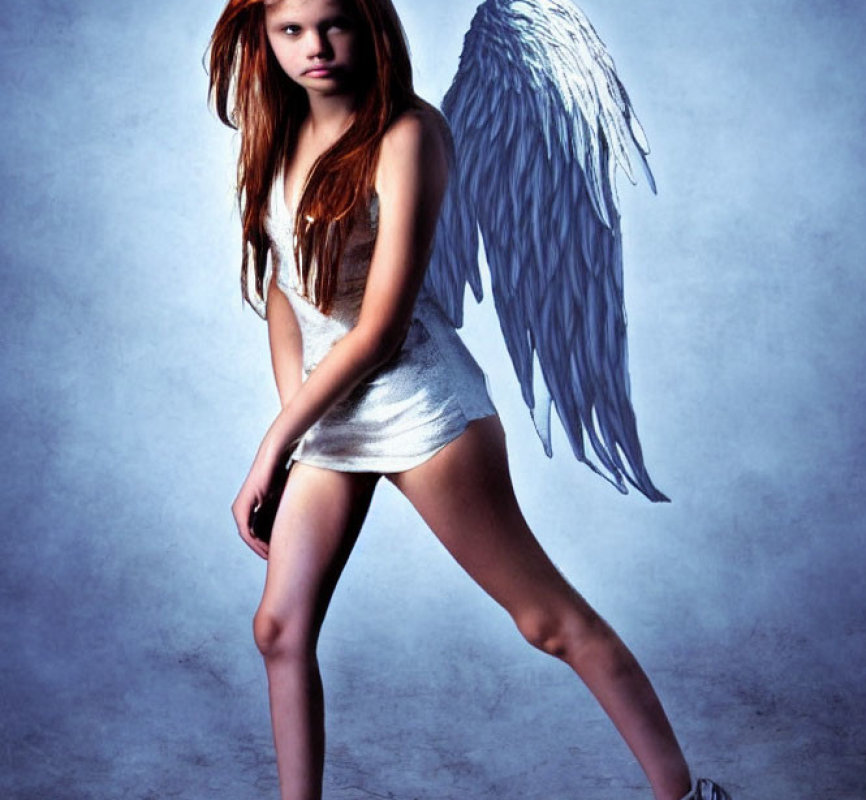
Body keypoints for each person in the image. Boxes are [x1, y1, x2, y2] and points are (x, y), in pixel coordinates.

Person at [208, 2, 727, 798]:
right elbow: (285, 291)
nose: (314, 47)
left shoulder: (408, 134)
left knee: (545, 621)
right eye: (290, 30)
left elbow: (379, 328)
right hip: (327, 411)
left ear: (370, 24)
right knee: (278, 630)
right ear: (263, 37)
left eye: (333, 23)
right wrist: (301, 425)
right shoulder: (275, 133)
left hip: (422, 405)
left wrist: (272, 446)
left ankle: (690, 797)